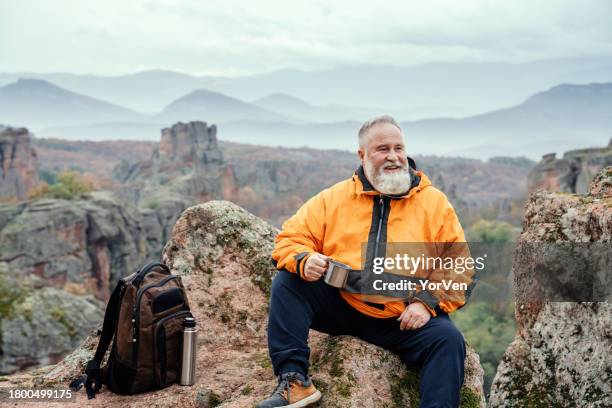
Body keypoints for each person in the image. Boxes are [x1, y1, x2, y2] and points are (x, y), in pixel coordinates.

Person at [256, 115, 473, 408]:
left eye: (398, 147)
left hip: (402, 319)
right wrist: (305, 259)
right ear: (363, 154)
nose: (394, 156)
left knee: (448, 340)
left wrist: (426, 302)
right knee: (289, 280)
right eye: (383, 148)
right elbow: (290, 239)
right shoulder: (333, 199)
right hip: (344, 307)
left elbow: (458, 263)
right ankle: (295, 382)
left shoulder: (433, 203)